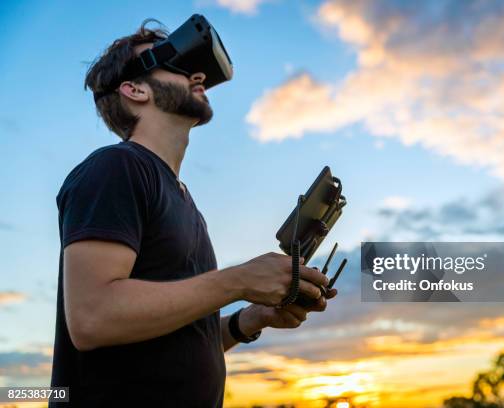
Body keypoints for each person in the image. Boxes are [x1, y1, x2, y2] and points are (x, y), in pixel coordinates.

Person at [50, 20, 336, 408]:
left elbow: (176, 339)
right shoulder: (115, 168)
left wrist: (248, 320)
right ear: (134, 90)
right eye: (175, 62)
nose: (199, 74)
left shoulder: (184, 202)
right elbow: (92, 318)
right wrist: (238, 280)